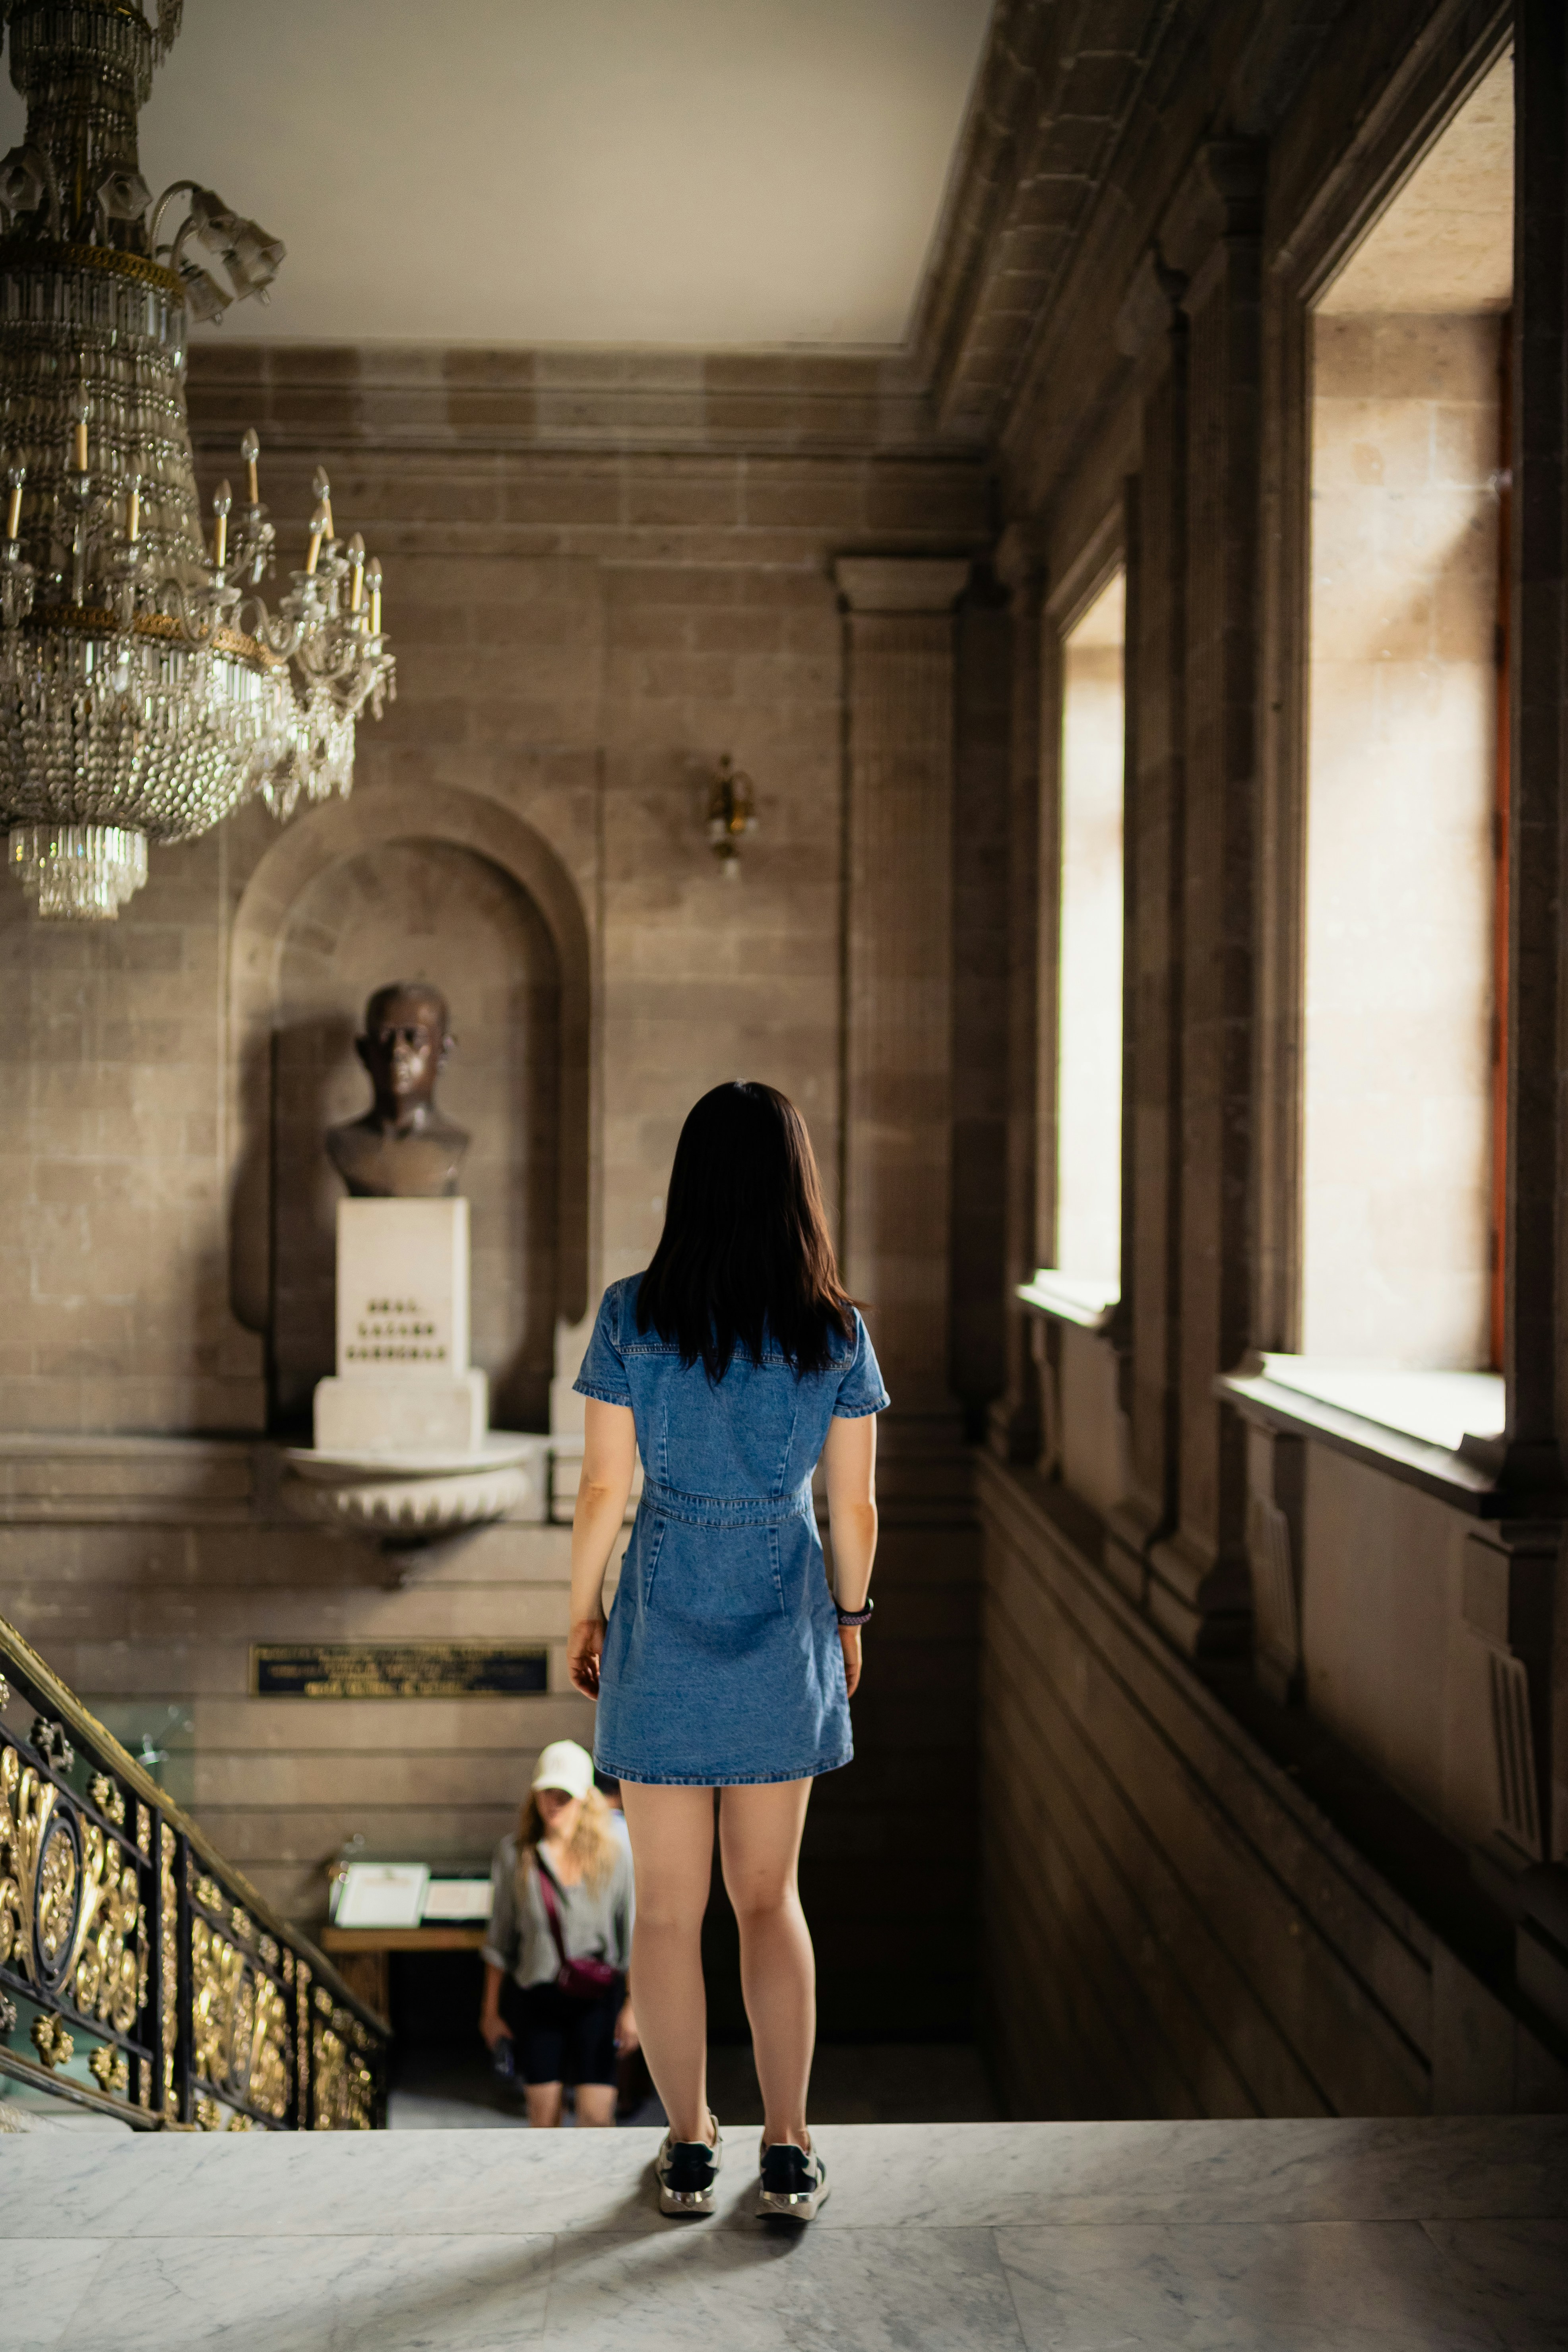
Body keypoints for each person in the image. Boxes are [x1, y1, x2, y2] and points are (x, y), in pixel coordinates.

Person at [568, 1081, 886, 2220]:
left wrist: (583, 1610)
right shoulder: (836, 1330)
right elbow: (853, 1509)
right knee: (768, 1898)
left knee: (664, 1908)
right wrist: (850, 1619)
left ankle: (691, 2144)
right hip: (784, 1612)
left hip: (661, 1610)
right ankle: (789, 2146)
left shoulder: (630, 1314)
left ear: (689, 1182)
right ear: (797, 1183)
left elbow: (606, 1485)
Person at [478, 1739, 638, 2127]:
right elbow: (500, 1941)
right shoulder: (516, 1854)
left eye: (564, 1795)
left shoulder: (617, 1853)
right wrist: (490, 2012)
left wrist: (634, 2008)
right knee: (543, 2118)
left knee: (597, 2118)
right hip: (539, 1995)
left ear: (585, 1798)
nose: (554, 1802)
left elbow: (632, 1935)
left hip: (598, 1997)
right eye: (547, 1793)